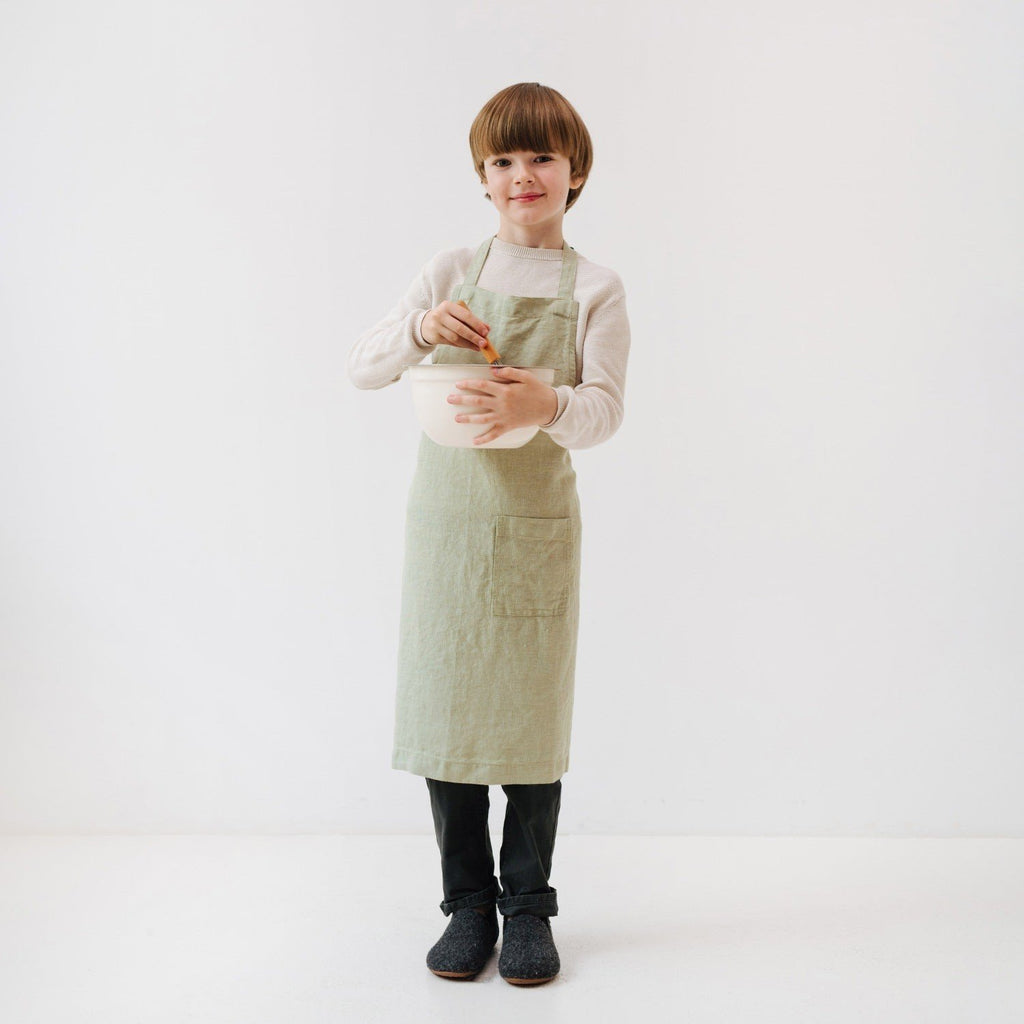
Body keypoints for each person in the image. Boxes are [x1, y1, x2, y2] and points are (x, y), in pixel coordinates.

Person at [347, 82, 631, 985]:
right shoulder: (449, 271)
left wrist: (548, 399)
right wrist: (423, 328)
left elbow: (605, 413)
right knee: (452, 717)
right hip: (449, 525)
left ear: (574, 171)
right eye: (503, 161)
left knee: (528, 725)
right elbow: (364, 369)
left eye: (541, 157)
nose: (523, 176)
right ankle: (466, 906)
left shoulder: (596, 287)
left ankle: (528, 907)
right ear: (482, 177)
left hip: (535, 526)